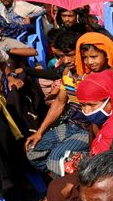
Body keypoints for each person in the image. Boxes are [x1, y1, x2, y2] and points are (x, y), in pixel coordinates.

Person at [25, 32, 92, 174]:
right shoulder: (67, 73)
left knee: (56, 159)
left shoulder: (91, 75)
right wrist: (40, 132)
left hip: (89, 130)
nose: (67, 60)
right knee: (33, 151)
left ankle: (66, 188)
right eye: (61, 56)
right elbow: (59, 103)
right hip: (71, 125)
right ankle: (62, 183)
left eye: (71, 54)